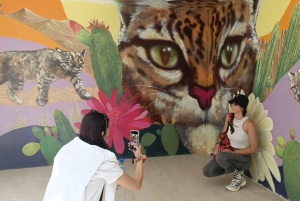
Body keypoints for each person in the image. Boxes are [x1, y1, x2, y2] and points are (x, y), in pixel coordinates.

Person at [43, 110, 145, 201]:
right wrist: (139, 158)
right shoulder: (104, 159)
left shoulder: (67, 148)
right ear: (102, 133)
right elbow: (136, 185)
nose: (109, 133)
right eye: (108, 129)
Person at [202, 94, 258, 192]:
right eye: (232, 103)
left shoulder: (249, 124)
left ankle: (238, 179)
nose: (232, 105)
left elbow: (254, 149)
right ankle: (235, 171)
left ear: (242, 107)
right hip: (228, 155)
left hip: (243, 159)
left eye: (235, 104)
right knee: (207, 171)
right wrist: (216, 147)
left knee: (221, 156)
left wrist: (231, 152)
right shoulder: (229, 117)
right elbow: (223, 134)